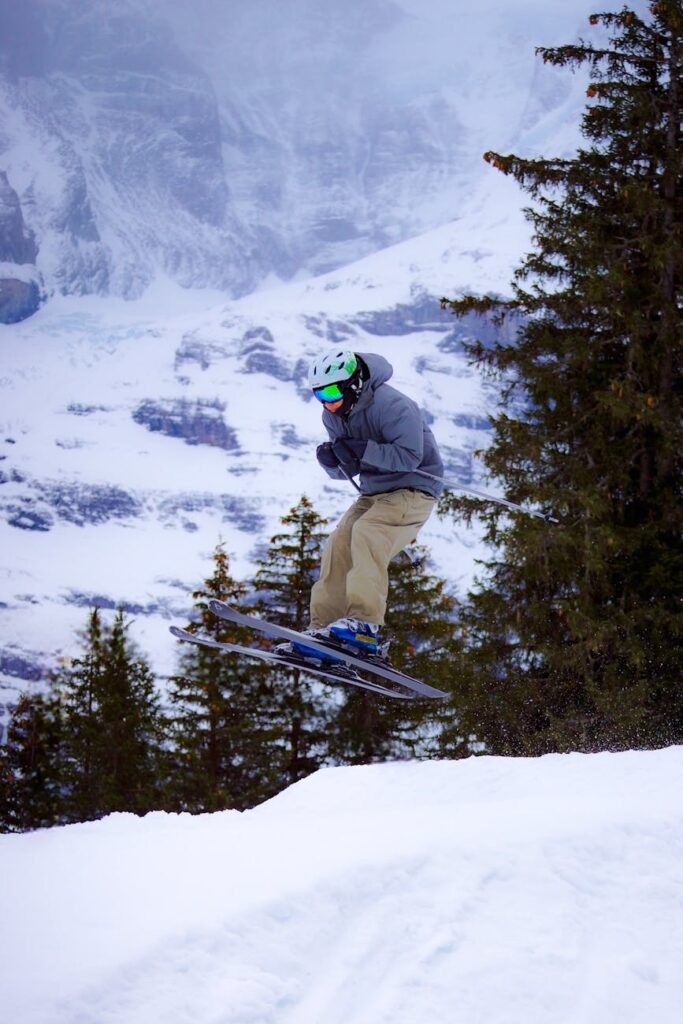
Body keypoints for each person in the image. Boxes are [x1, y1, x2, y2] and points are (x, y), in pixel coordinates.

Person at [297, 347, 444, 659]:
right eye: (319, 396)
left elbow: (408, 457)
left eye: (333, 392)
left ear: (352, 384)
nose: (328, 402)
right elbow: (345, 471)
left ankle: (364, 627)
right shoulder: (333, 414)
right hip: (374, 491)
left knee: (368, 531)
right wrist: (332, 460)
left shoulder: (393, 406)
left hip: (415, 488)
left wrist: (362, 449)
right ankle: (324, 628)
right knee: (339, 541)